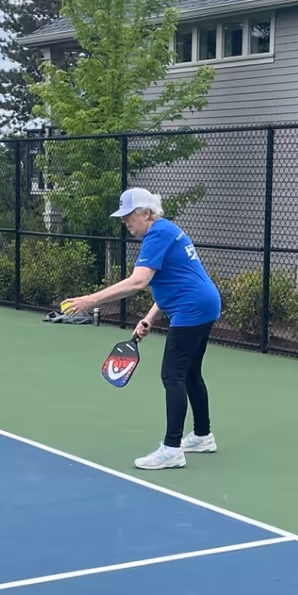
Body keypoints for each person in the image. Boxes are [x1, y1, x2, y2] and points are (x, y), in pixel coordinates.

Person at [62, 187, 222, 471]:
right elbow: (172, 280)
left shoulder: (157, 234)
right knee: (190, 373)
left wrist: (91, 299)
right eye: (123, 217)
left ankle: (171, 449)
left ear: (146, 213)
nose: (125, 222)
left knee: (172, 375)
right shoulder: (167, 230)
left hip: (191, 309)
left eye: (129, 215)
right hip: (204, 303)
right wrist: (150, 317)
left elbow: (139, 281)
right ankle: (202, 435)